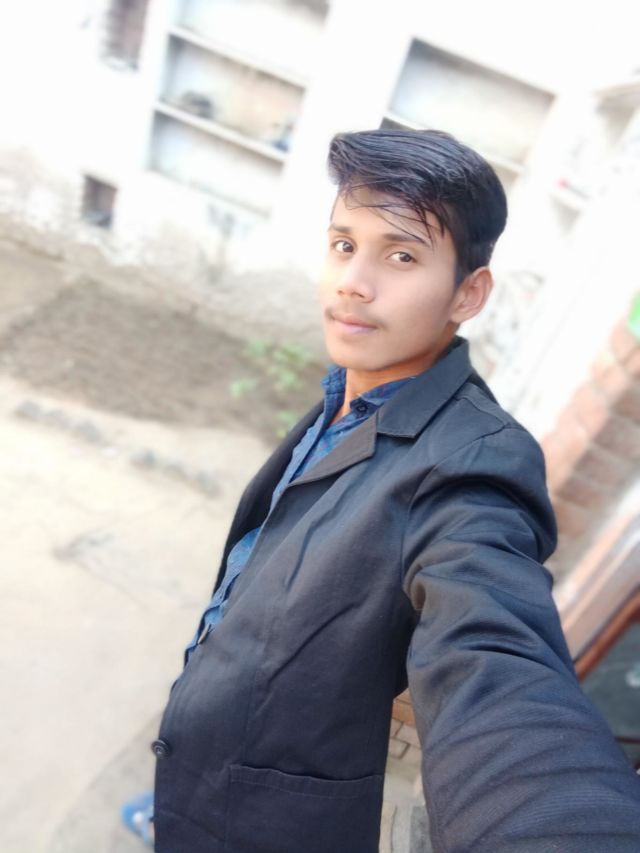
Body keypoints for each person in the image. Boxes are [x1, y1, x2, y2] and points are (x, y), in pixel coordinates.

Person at [126, 129, 640, 852]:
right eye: (344, 245)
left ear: (469, 292)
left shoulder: (474, 465)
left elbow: (496, 662)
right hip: (196, 767)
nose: (354, 282)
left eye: (401, 256)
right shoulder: (350, 390)